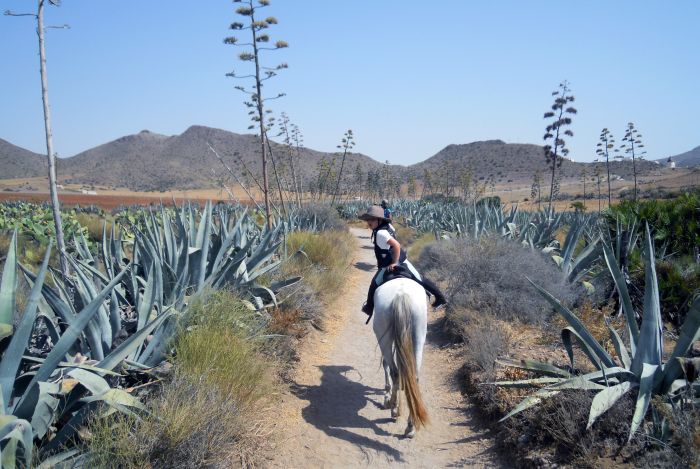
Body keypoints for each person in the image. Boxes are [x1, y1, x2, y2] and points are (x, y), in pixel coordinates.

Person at [358, 205, 447, 320]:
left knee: (374, 284)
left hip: (389, 264)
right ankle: (440, 298)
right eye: (368, 219)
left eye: (373, 219)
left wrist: (394, 262)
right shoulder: (387, 226)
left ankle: (369, 307)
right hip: (402, 261)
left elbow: (396, 245)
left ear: (380, 220)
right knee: (419, 279)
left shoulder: (380, 233)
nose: (369, 222)